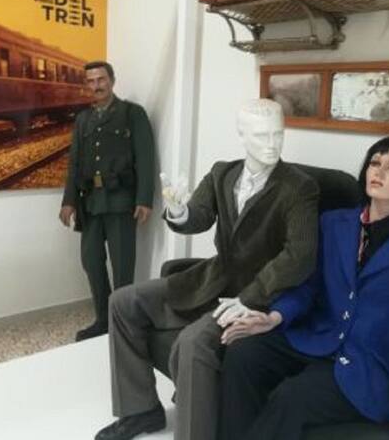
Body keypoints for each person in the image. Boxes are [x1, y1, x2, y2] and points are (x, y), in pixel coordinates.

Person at [94, 99, 320, 440]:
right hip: (213, 278)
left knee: (193, 342)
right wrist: (179, 211)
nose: (272, 143)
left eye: (278, 134)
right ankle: (141, 411)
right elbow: (198, 217)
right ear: (242, 135)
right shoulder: (222, 174)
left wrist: (252, 297)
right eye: (262, 135)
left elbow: (299, 255)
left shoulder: (299, 187)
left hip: (260, 295)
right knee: (122, 302)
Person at [218, 136, 389, 440]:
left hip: (367, 366)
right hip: (316, 339)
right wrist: (274, 317)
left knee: (293, 397)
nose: (378, 171)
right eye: (375, 162)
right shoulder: (333, 224)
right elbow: (308, 287)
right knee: (242, 354)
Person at [59, 61, 155, 342]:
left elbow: (145, 157)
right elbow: (74, 163)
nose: (96, 86)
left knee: (123, 265)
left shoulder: (132, 114)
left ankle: (123, 324)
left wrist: (144, 199)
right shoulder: (83, 120)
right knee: (91, 261)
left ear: (112, 80)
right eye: (90, 81)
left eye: (101, 79)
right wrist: (68, 200)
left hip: (121, 200)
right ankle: (103, 320)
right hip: (90, 203)